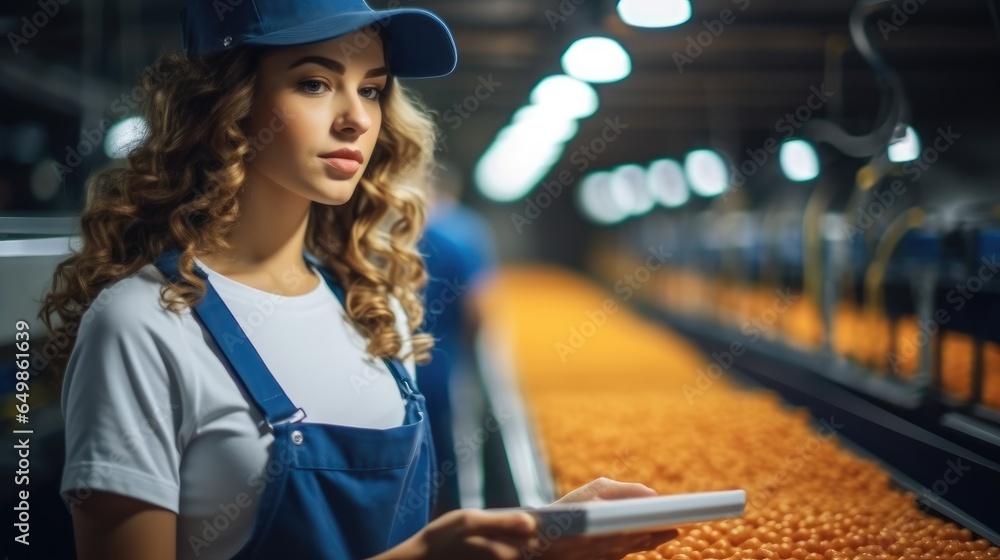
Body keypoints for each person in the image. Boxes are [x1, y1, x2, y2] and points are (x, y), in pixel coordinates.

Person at [39, 1, 677, 558]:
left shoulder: (371, 310)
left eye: (371, 89)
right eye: (315, 84)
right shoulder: (143, 327)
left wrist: (534, 539)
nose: (355, 119)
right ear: (226, 105)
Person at [417, 159, 498, 516]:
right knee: (451, 446)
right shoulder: (466, 229)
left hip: (399, 358)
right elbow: (477, 305)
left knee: (413, 446)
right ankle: (451, 518)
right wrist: (473, 352)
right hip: (446, 358)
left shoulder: (399, 227)